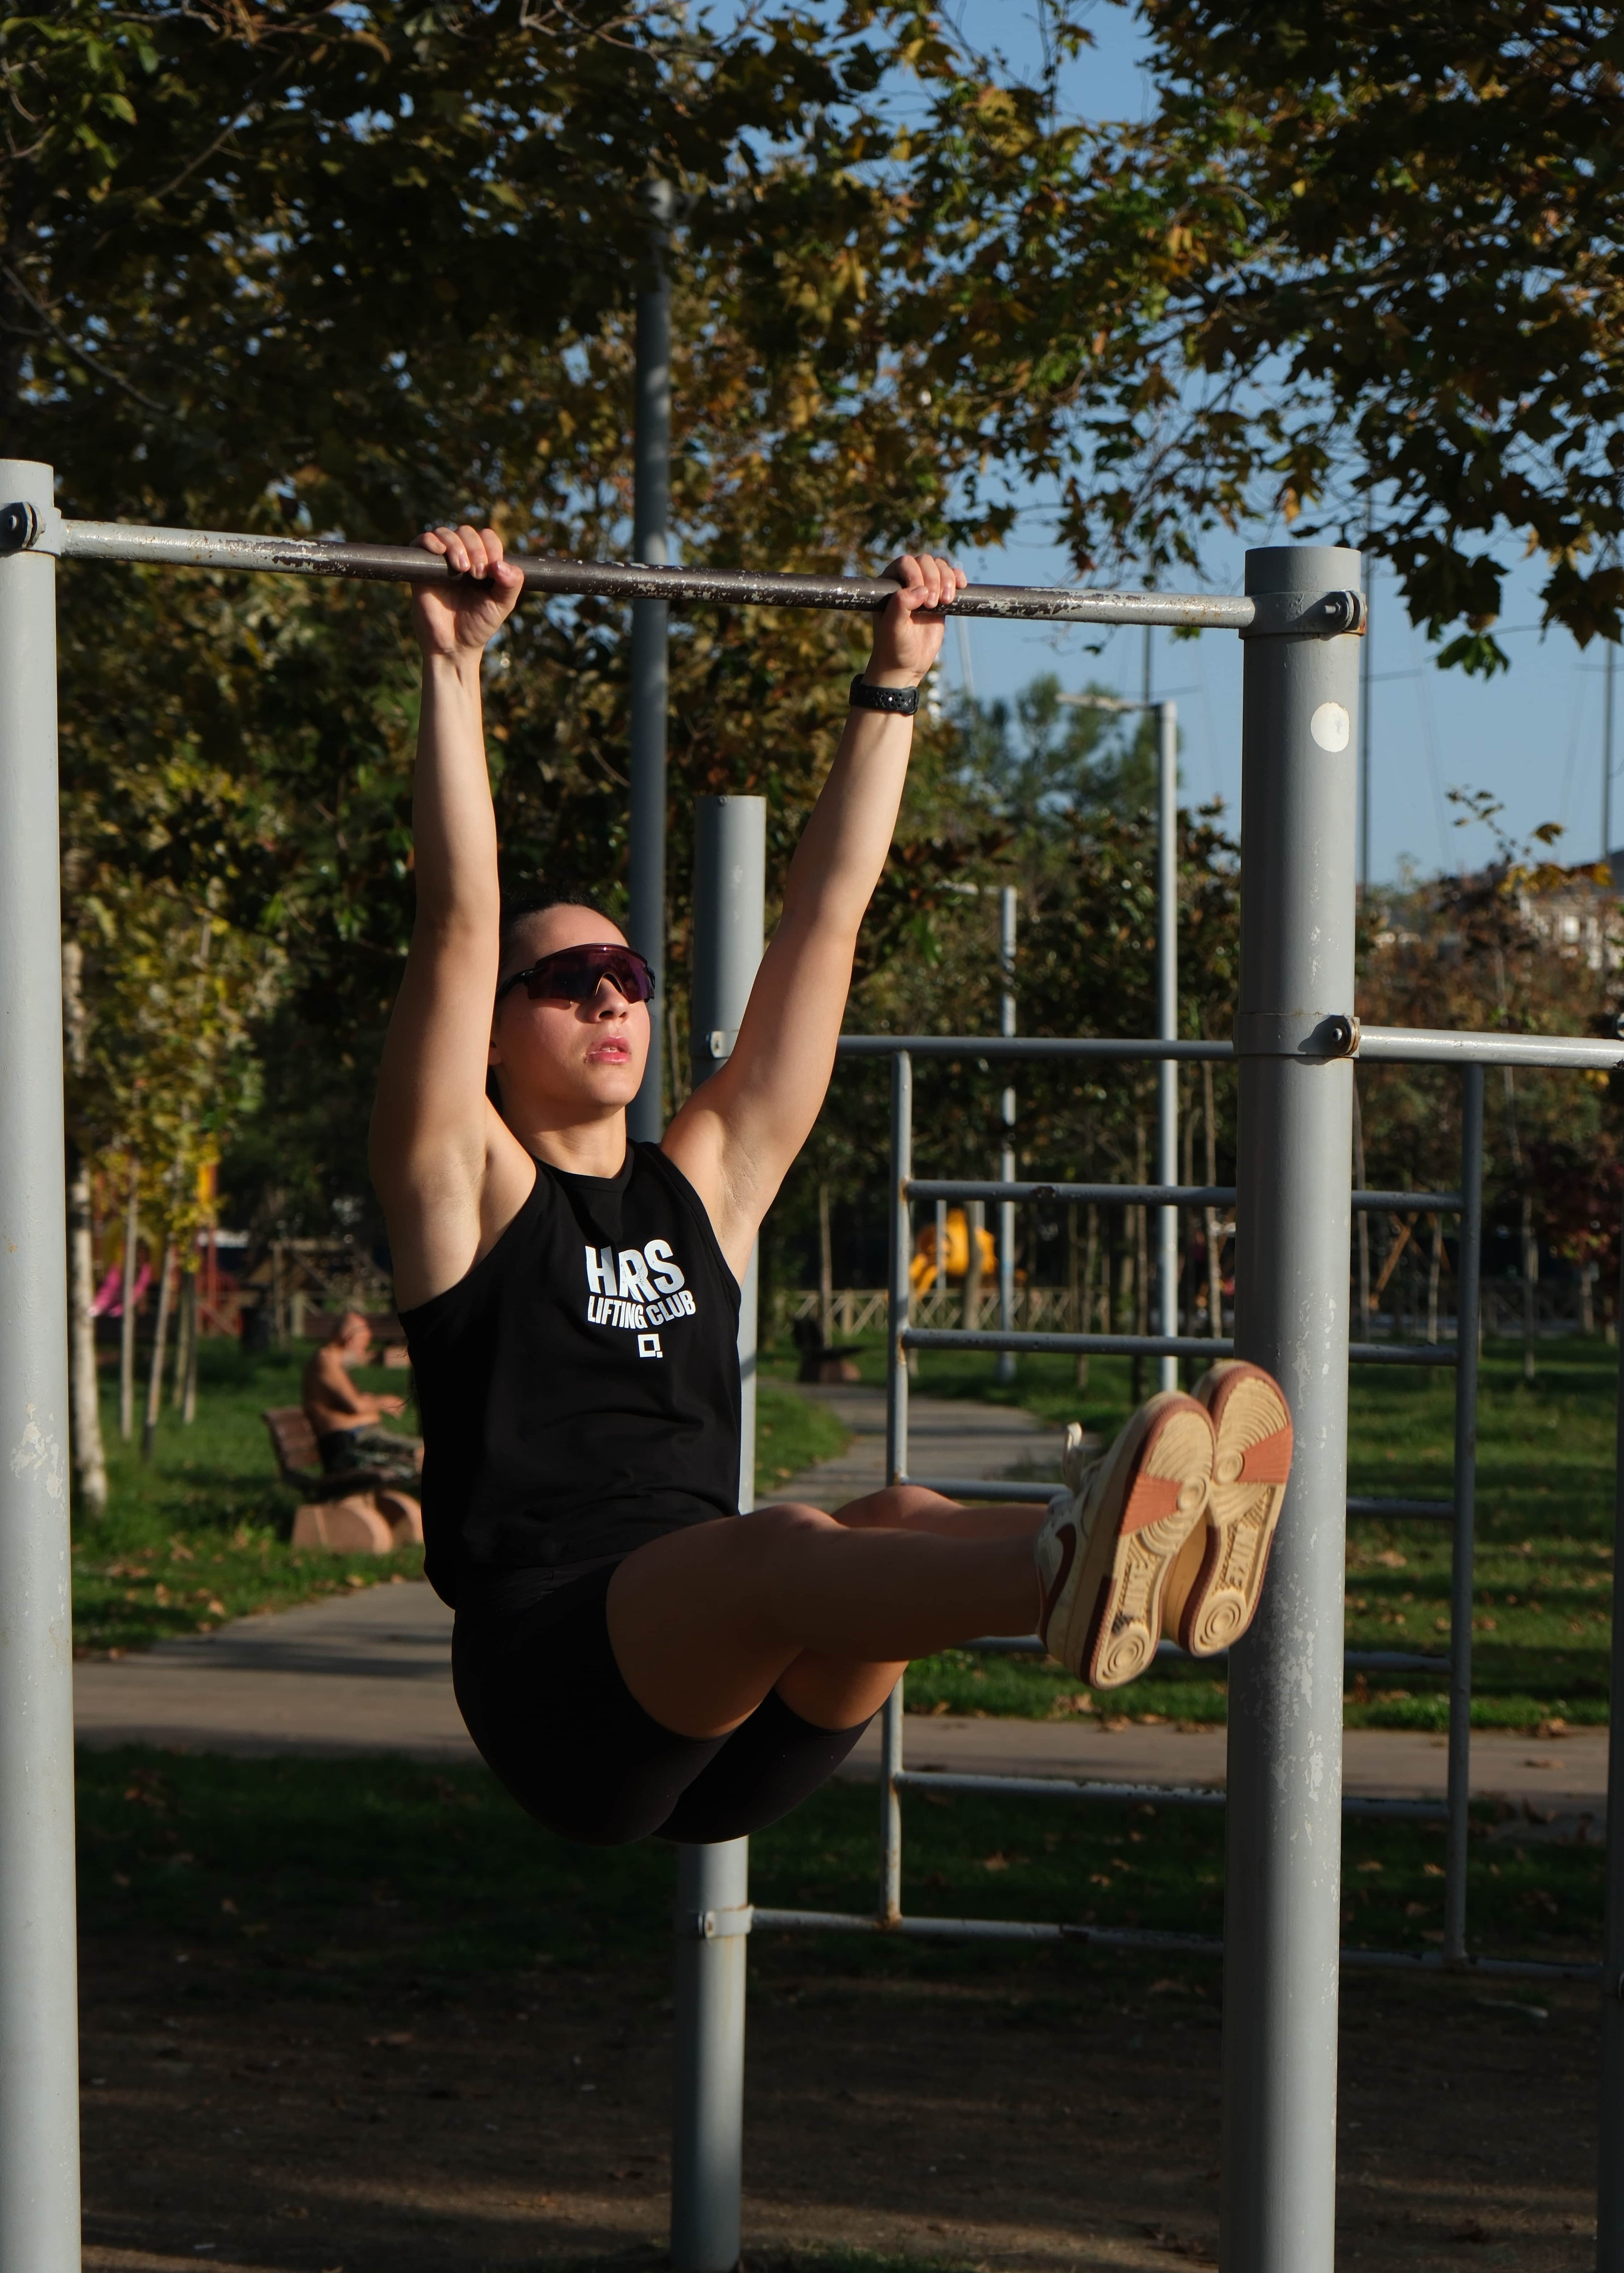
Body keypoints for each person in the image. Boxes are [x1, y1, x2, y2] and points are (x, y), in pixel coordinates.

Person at [371, 523, 1293, 1849]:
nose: (614, 995)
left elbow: (826, 917)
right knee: (786, 1545)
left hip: (738, 1710)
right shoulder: (456, 1184)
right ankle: (1075, 1568)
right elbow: (457, 920)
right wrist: (454, 667)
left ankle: (1136, 1549)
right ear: (494, 1031)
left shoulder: (700, 1184)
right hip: (561, 1679)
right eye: (571, 981)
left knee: (901, 1512)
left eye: (630, 975)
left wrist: (895, 685)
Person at [301, 1310, 422, 1485]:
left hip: (357, 1437)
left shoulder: (332, 1363)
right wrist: (381, 1402)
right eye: (362, 1346)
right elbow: (356, 1405)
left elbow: (355, 1401)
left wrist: (370, 1401)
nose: (363, 1353)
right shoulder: (325, 1362)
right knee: (423, 1453)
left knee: (424, 1453)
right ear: (350, 1340)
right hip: (348, 1443)